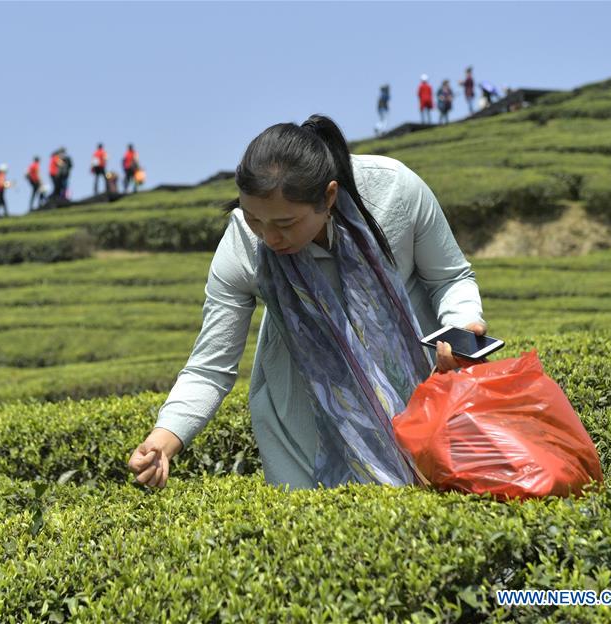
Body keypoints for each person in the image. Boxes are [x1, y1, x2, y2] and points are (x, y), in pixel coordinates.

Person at [127, 114, 487, 492]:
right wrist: (164, 440)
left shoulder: (394, 191)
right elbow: (210, 367)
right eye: (254, 219)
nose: (269, 237)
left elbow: (450, 277)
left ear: (328, 196)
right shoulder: (242, 245)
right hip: (302, 430)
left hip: (425, 402)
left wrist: (462, 326)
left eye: (285, 223)